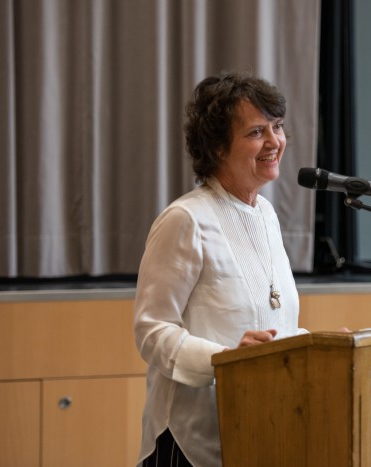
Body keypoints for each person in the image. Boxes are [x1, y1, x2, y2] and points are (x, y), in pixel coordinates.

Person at [133, 71, 304, 467]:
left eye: (277, 127)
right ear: (217, 147)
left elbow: (272, 326)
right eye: (256, 132)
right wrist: (224, 359)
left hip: (258, 433)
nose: (274, 142)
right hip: (187, 441)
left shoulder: (267, 215)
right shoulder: (186, 219)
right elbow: (152, 332)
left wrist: (325, 346)